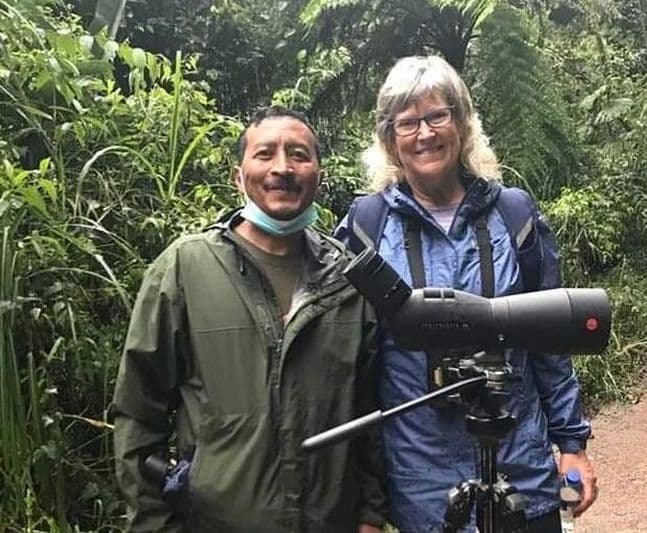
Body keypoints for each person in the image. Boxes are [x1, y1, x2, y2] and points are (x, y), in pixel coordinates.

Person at [335, 56, 597, 532]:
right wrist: (364, 497)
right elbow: (350, 363)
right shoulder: (367, 227)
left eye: (438, 115)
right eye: (408, 122)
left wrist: (572, 445)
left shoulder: (512, 214)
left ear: (461, 122)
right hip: (423, 482)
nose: (425, 133)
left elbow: (550, 343)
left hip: (521, 466)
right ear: (389, 139)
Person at [113, 106, 386, 533]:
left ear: (319, 175)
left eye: (298, 154)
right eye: (265, 154)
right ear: (238, 176)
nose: (282, 167)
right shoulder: (186, 269)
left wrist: (370, 514)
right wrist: (154, 523)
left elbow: (369, 413)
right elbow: (137, 413)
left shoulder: (348, 281)